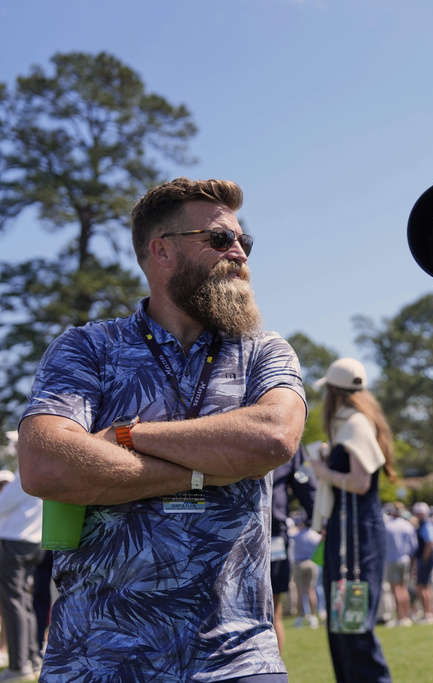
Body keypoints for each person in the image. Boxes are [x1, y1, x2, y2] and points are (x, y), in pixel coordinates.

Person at [17, 177, 307, 682]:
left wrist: (125, 437)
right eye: (219, 239)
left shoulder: (265, 350)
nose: (238, 252)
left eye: (244, 241)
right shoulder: (88, 348)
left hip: (237, 659)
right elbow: (45, 464)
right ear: (162, 250)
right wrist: (208, 471)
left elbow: (273, 437)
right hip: (98, 656)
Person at [308, 357, 397, 683]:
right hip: (349, 529)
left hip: (355, 532)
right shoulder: (354, 422)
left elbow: (360, 483)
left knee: (352, 623)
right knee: (343, 626)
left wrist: (322, 471)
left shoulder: (355, 423)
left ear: (333, 391)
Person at [271, 444, 317, 650]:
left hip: (272, 534)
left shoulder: (286, 433)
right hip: (222, 529)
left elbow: (306, 485)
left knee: (271, 609)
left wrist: (322, 520)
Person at [0, 467, 44, 683]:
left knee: (13, 603)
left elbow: (2, 505)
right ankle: (31, 658)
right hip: (33, 543)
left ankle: (19, 666)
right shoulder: (43, 470)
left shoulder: (26, 471)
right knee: (24, 602)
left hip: (13, 543)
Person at [383, 504, 416, 627]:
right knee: (403, 588)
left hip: (392, 560)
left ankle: (400, 616)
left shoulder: (388, 526)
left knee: (396, 588)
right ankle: (406, 615)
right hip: (405, 559)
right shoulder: (408, 526)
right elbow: (413, 546)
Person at [410, 502, 433, 625]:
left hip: (425, 560)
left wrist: (423, 560)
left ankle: (428, 613)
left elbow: (430, 543)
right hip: (426, 560)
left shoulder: (426, 525)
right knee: (425, 586)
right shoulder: (425, 525)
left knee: (422, 586)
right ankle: (429, 612)